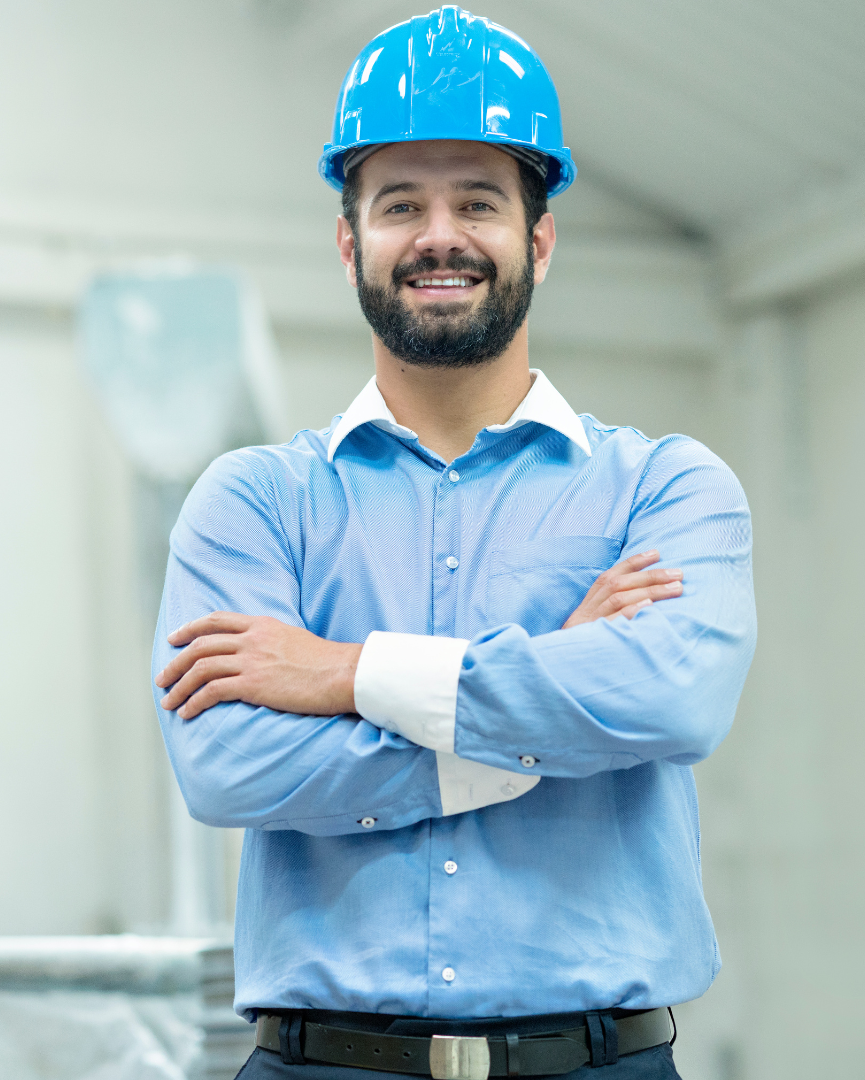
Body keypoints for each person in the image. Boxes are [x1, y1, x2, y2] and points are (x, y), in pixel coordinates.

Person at [152, 7, 756, 1079]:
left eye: (478, 200)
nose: (440, 235)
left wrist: (346, 673)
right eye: (400, 206)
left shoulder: (667, 487)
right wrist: (542, 711)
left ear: (541, 236)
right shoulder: (254, 501)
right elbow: (228, 766)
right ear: (351, 243)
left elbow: (671, 698)